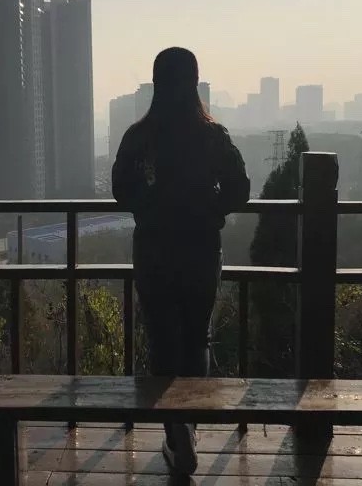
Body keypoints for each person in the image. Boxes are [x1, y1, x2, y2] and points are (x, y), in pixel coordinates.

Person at [112, 47, 250, 476]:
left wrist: (150, 206)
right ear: (194, 84)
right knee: (196, 338)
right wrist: (210, 209)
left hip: (154, 250)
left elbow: (120, 189)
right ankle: (188, 428)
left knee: (161, 340)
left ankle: (175, 434)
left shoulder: (139, 136)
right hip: (200, 249)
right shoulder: (212, 135)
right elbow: (240, 188)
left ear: (156, 84)